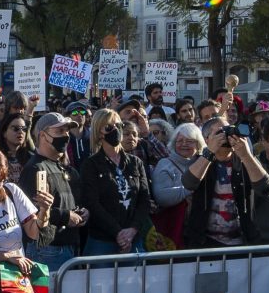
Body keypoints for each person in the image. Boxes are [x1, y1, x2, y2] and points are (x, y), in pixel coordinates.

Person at [180, 119, 269, 250]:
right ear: (207, 139)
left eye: (229, 130)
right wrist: (210, 151)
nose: (226, 136)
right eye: (220, 132)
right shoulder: (200, 160)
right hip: (204, 242)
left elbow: (266, 189)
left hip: (243, 242)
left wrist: (246, 155)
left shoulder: (244, 160)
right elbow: (188, 183)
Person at [75, 108, 154, 256]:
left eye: (119, 126)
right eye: (109, 128)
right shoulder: (90, 165)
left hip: (134, 238)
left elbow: (144, 199)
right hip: (102, 242)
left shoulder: (135, 162)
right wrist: (118, 233)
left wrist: (132, 230)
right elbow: (92, 203)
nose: (116, 130)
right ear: (99, 133)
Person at [14, 110, 87, 267]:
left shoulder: (68, 169)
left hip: (70, 246)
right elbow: (30, 212)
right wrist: (66, 216)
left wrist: (83, 212)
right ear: (42, 135)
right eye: (59, 131)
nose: (65, 135)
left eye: (67, 130)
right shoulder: (35, 168)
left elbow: (72, 201)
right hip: (48, 250)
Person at [149, 121, 205, 246]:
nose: (184, 144)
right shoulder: (165, 164)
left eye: (189, 141)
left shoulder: (205, 164)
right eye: (180, 141)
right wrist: (191, 188)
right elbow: (162, 197)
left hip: (203, 231)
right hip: (174, 230)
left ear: (199, 144)